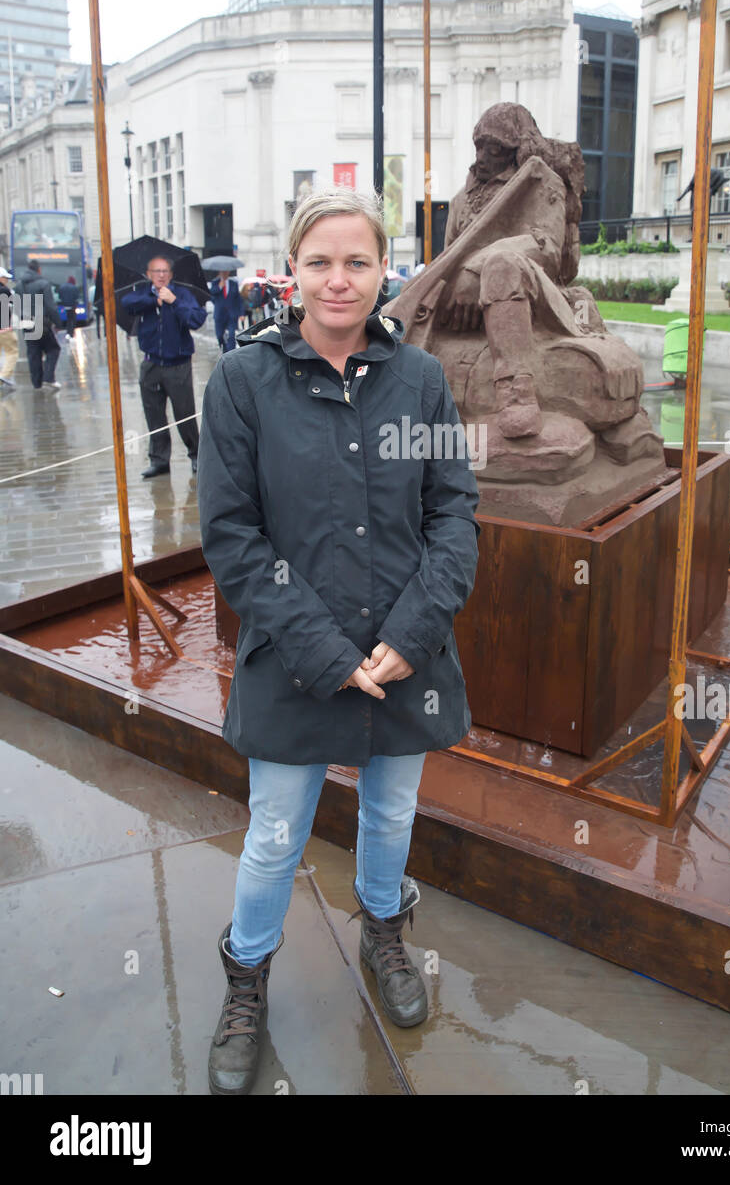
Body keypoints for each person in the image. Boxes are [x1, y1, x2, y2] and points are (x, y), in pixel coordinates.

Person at [197, 189, 480, 1096]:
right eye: (320, 261)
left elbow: (454, 514)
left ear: (384, 269)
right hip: (295, 660)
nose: (338, 279)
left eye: (358, 261)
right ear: (292, 270)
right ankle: (247, 981)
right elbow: (233, 536)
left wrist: (412, 631)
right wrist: (324, 649)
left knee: (392, 816)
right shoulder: (244, 382)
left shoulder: (422, 381)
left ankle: (385, 933)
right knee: (275, 836)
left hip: (406, 656)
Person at [121, 253, 207, 478]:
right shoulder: (142, 294)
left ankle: (196, 454)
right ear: (149, 274)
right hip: (151, 363)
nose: (160, 276)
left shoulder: (181, 294)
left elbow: (196, 319)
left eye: (164, 271)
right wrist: (154, 301)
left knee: (184, 414)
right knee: (154, 415)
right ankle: (159, 460)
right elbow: (126, 305)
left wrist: (173, 302)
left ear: (170, 274)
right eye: (156, 272)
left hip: (178, 364)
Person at [15, 260, 63, 390]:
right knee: (53, 349)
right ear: (39, 270)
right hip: (42, 322)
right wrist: (58, 323)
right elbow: (50, 306)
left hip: (27, 323)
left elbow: (17, 307)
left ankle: (37, 384)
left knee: (33, 353)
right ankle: (48, 378)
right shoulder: (43, 284)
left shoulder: (18, 286)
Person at [208, 271, 244, 352]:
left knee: (231, 335)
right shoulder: (215, 283)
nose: (225, 273)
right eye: (223, 272)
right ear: (220, 272)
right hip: (219, 315)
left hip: (231, 315)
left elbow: (239, 300)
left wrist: (241, 313)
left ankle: (231, 353)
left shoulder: (233, 283)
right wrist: (220, 286)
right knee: (219, 336)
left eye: (226, 271)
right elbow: (211, 294)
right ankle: (224, 349)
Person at [0, 266, 17, 392]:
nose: (6, 280)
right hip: (4, 327)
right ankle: (4, 376)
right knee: (12, 351)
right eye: (5, 278)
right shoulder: (5, 291)